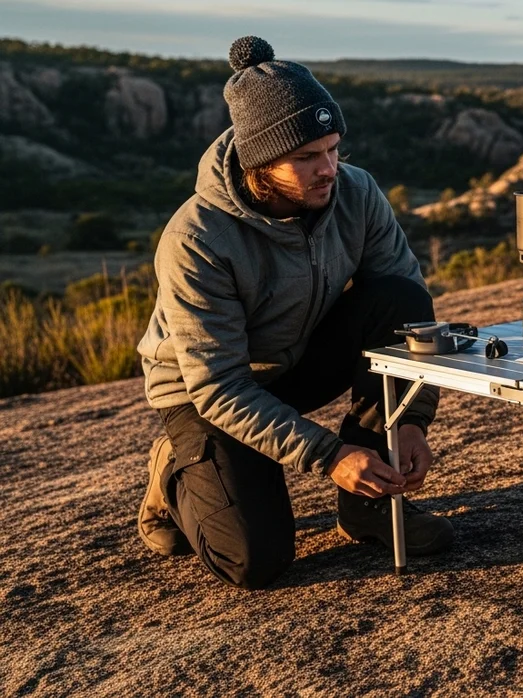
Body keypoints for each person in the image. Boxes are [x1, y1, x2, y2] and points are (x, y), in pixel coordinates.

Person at [135, 36, 453, 589]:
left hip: (300, 359)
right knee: (253, 562)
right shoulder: (197, 238)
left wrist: (413, 417)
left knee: (399, 296)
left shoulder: (355, 192)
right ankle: (178, 469)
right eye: (305, 158)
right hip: (212, 392)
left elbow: (410, 315)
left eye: (333, 148)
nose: (328, 168)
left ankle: (368, 505)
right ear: (259, 162)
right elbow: (217, 386)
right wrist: (329, 454)